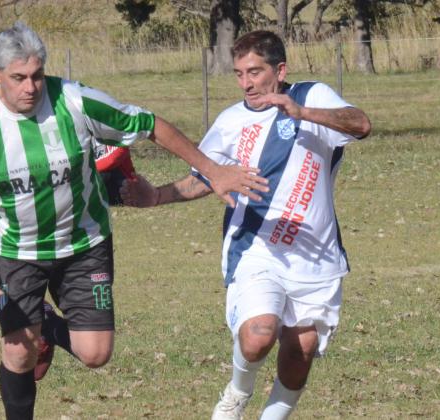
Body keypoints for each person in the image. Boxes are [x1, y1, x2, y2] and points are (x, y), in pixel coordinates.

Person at [0, 22, 266, 419]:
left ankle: (44, 323)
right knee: (19, 351)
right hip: (16, 250)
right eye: (18, 78)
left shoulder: (74, 100)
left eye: (37, 76)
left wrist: (214, 170)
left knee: (96, 354)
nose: (30, 87)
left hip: (84, 244)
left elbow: (149, 125)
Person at [121, 30, 371, 420]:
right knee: (258, 335)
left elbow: (360, 123)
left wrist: (303, 114)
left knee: (301, 351)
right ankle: (237, 394)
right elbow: (205, 177)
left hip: (316, 256)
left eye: (255, 72)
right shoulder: (231, 121)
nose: (246, 83)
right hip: (256, 248)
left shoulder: (312, 96)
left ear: (280, 69)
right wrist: (157, 196)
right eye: (239, 73)